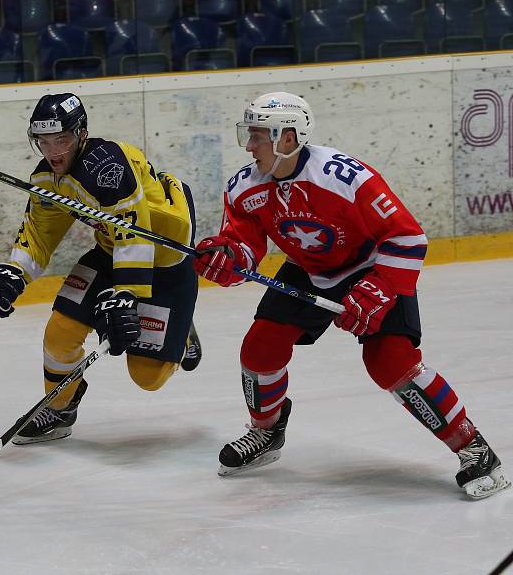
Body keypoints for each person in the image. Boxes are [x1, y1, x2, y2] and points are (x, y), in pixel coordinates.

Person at [193, 91, 509, 499]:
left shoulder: (344, 178)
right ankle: (266, 431)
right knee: (260, 349)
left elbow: (408, 238)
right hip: (309, 271)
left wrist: (379, 287)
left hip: (373, 266)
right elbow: (245, 247)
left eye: (257, 135)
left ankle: (475, 450)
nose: (249, 146)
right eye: (248, 135)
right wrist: (227, 257)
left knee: (390, 362)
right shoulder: (244, 187)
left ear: (287, 138)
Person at [0, 93, 202, 444]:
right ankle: (60, 409)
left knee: (147, 376)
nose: (53, 152)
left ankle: (182, 329)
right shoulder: (48, 178)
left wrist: (125, 296)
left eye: (62, 140)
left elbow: (136, 232)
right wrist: (12, 273)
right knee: (59, 333)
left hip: (164, 260)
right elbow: (39, 232)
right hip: (112, 253)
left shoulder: (107, 167)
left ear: (81, 134)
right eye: (44, 142)